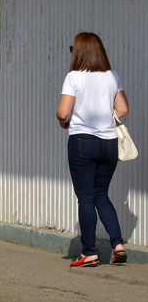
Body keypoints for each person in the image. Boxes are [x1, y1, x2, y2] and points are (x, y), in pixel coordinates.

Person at [56, 31, 130, 267]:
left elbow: (63, 112)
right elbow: (123, 109)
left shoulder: (74, 77)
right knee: (102, 195)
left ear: (79, 52)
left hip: (82, 142)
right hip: (109, 144)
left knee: (86, 197)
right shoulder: (112, 76)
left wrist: (64, 121)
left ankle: (89, 252)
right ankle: (118, 245)